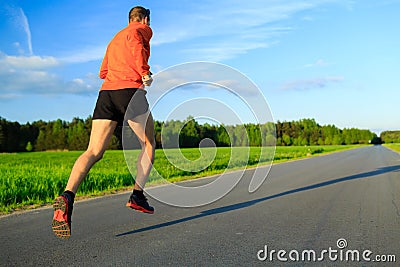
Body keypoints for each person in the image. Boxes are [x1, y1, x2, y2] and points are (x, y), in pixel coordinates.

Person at [52, 6, 156, 239]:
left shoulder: (114, 39)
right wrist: (144, 72)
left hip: (106, 94)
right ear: (144, 19)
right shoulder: (141, 30)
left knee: (94, 150)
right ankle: (137, 195)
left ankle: (67, 196)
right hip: (129, 91)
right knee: (149, 144)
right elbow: (138, 47)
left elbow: (103, 71)